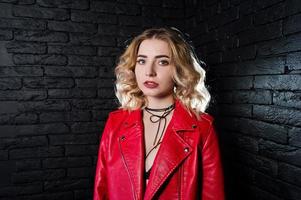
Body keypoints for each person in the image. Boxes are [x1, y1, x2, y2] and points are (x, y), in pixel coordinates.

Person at [93, 27, 224, 200]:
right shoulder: (115, 122)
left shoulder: (203, 127)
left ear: (179, 69)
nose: (149, 72)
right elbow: (101, 191)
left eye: (162, 62)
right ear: (133, 66)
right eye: (141, 61)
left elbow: (213, 196)